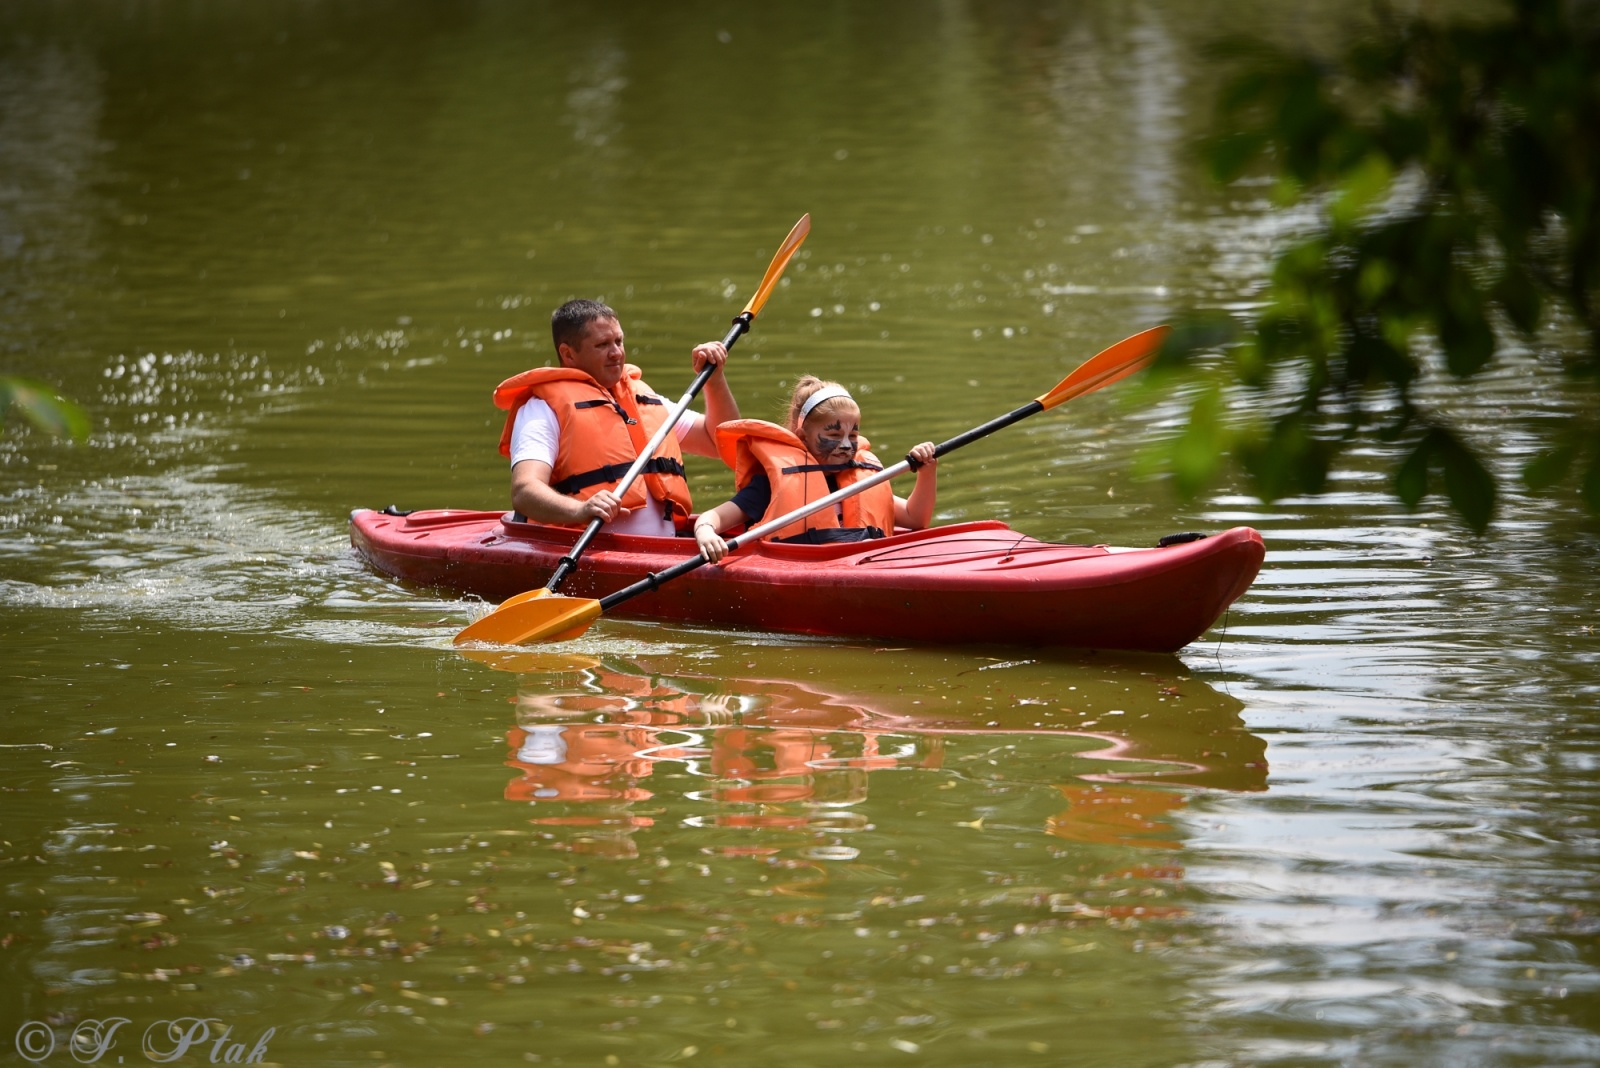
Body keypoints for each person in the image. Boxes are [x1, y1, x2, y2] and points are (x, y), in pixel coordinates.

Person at [494, 299, 738, 537]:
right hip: (583, 553)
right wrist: (580, 510)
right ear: (568, 354)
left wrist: (714, 381)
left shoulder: (641, 398)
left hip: (664, 553)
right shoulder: (542, 409)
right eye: (602, 345)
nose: (616, 353)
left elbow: (719, 442)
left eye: (619, 341)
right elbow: (524, 492)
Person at [692, 375, 938, 562]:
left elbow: (916, 518)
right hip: (799, 569)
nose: (845, 445)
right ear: (803, 436)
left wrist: (927, 472)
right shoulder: (771, 484)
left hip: (864, 566)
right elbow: (713, 518)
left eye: (852, 435)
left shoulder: (860, 479)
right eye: (833, 433)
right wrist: (706, 533)